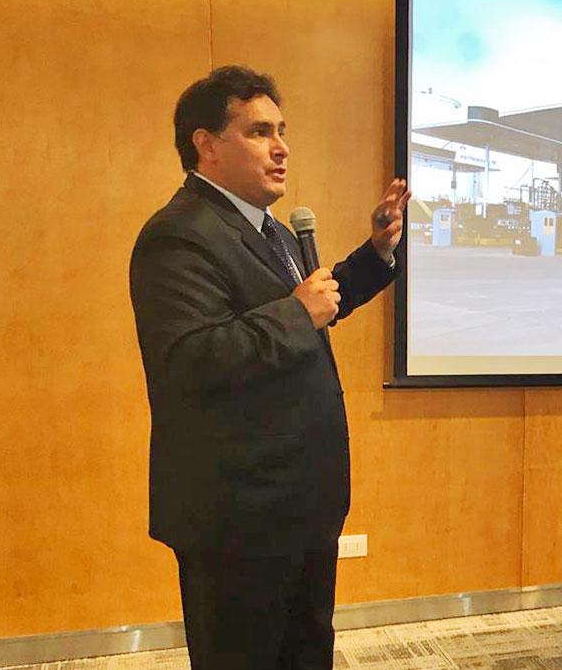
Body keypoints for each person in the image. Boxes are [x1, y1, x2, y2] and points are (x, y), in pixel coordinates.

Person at [128, 65, 409, 670]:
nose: (281, 148)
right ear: (206, 145)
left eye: (282, 131)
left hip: (299, 503)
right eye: (259, 132)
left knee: (305, 654)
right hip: (236, 517)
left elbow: (318, 305)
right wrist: (297, 313)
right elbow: (190, 359)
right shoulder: (178, 236)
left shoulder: (270, 230)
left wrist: (376, 253)